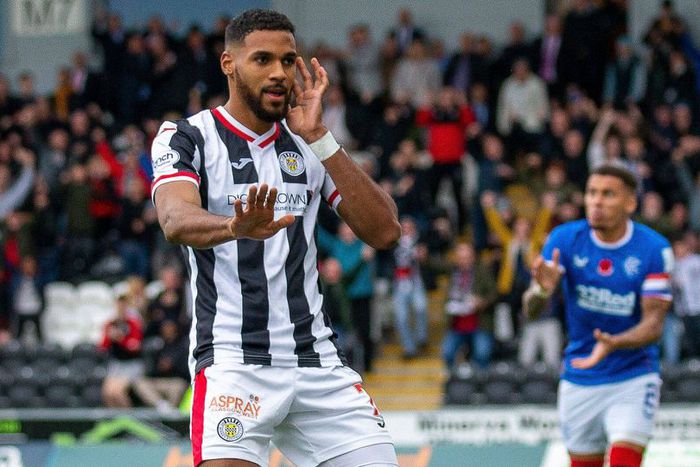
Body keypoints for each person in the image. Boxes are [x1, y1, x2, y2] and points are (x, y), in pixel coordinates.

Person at [150, 9, 400, 467]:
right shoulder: (187, 137)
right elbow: (173, 217)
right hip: (233, 363)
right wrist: (232, 227)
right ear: (229, 64)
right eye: (262, 59)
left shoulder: (308, 141)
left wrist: (320, 136)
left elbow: (385, 231)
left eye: (288, 61)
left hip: (316, 361)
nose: (279, 73)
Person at [523, 164, 673, 467]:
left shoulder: (654, 249)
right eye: (591, 193)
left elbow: (654, 325)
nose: (596, 201)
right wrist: (541, 291)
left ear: (630, 203)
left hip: (633, 375)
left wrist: (615, 342)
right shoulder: (564, 240)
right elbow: (530, 310)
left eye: (607, 194)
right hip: (580, 375)